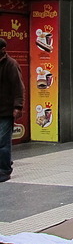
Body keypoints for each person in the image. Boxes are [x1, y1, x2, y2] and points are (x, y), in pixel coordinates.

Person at [0, 38, 25, 183]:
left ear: (3, 50)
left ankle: (4, 171)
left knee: (2, 141)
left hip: (5, 110)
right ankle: (5, 163)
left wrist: (18, 106)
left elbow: (18, 87)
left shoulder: (11, 64)